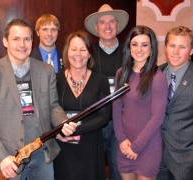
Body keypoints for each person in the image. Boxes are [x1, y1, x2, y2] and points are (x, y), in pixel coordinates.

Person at [0, 18, 77, 180]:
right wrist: (1, 157)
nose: (22, 44)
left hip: (42, 155)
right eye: (16, 39)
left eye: (27, 39)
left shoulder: (46, 71)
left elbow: (53, 106)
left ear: (32, 41)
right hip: (8, 160)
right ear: (5, 41)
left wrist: (62, 122)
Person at [53, 30, 111, 180]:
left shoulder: (100, 80)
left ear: (89, 53)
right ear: (67, 52)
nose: (78, 54)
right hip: (63, 147)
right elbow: (49, 110)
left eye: (83, 49)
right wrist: (59, 132)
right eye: (73, 49)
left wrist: (74, 129)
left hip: (90, 146)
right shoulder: (55, 79)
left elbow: (104, 116)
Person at [113, 25, 168, 180]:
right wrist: (121, 139)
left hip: (148, 147)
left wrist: (136, 147)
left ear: (152, 48)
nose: (139, 49)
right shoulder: (121, 74)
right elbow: (117, 109)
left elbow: (157, 118)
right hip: (125, 145)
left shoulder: (157, 78)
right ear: (129, 48)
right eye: (135, 44)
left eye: (145, 45)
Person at [84, 4, 129, 180]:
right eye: (102, 22)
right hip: (95, 121)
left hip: (121, 124)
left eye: (111, 21)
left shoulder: (130, 51)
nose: (107, 26)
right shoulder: (87, 53)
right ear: (96, 27)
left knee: (118, 171)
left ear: (117, 25)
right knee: (94, 170)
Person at [156, 26, 193, 180]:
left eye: (182, 47)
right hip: (155, 155)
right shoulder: (154, 74)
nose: (175, 52)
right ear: (165, 47)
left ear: (192, 50)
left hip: (187, 160)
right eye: (172, 46)